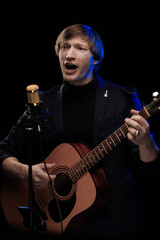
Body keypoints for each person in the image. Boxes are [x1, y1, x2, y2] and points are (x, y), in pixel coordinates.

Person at [0, 24, 159, 239]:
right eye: (64, 47)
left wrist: (146, 142)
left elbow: (152, 171)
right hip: (56, 220)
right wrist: (25, 172)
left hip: (113, 219)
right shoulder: (43, 102)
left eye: (80, 48)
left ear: (95, 59)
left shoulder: (122, 99)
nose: (69, 54)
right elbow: (4, 151)